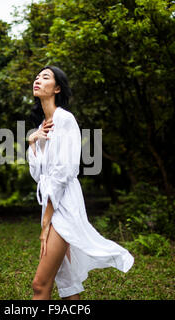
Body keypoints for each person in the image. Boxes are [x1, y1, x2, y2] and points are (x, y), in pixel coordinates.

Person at [27, 66, 134, 300]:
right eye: (36, 77)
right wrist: (32, 142)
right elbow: (38, 175)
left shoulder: (65, 119)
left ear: (56, 88)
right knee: (68, 284)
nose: (37, 79)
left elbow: (64, 172)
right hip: (50, 205)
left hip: (64, 206)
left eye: (45, 77)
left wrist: (47, 221)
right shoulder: (41, 128)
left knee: (40, 285)